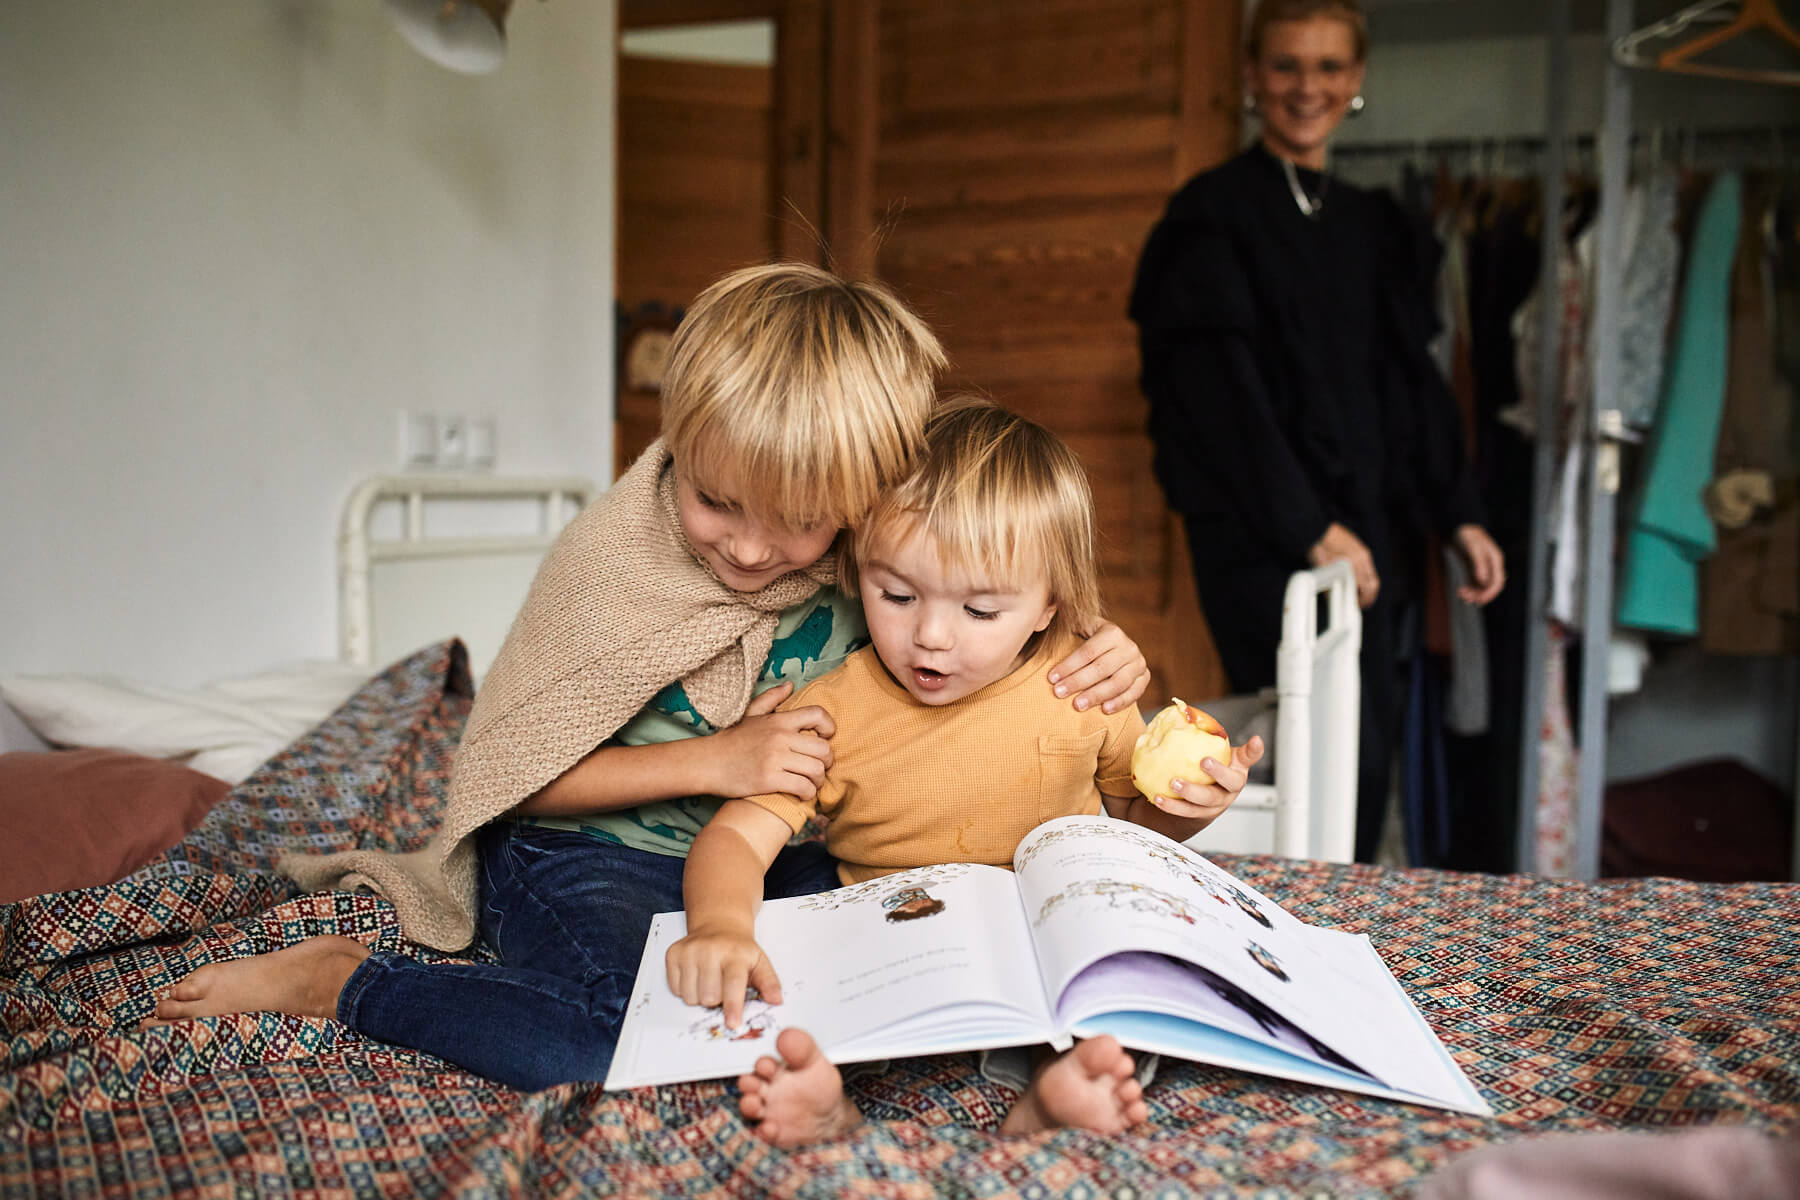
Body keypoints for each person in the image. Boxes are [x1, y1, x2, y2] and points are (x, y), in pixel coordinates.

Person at [141, 265, 1154, 1091]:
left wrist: (1098, 642)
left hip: (770, 850)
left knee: (875, 984)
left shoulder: (866, 547)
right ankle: (353, 984)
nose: (755, 552)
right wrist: (719, 758)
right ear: (677, 444)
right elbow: (514, 774)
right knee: (605, 1037)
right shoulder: (610, 565)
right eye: (718, 503)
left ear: (859, 493)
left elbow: (987, 567)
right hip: (582, 851)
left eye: (799, 522)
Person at [664, 398, 1266, 1144]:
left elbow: (1134, 833)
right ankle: (831, 1108)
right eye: (897, 595)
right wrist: (720, 927)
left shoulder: (1084, 688)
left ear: (1049, 606)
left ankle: (1047, 1101)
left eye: (980, 611)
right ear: (858, 571)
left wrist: (1192, 803)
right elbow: (736, 840)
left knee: (1128, 1001)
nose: (931, 638)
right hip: (897, 952)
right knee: (799, 1011)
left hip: (1044, 949)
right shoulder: (833, 710)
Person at [1127, 0, 1506, 861]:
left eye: (1330, 67)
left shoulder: (1379, 225)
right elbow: (1217, 404)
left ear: (1357, 79)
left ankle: (1337, 921)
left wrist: (1459, 516)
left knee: (1367, 748)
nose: (1310, 87)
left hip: (1375, 524)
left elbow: (1412, 385)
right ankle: (1271, 931)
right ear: (1255, 79)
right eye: (1289, 67)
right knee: (1299, 741)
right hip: (1266, 534)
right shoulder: (1209, 218)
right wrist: (1310, 529)